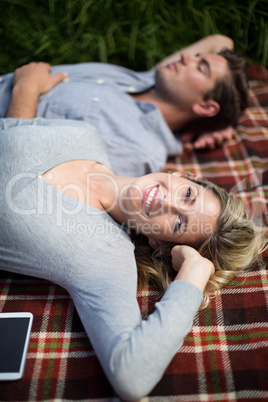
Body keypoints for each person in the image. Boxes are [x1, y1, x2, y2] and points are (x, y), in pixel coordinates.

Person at [0, 115, 265, 400]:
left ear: (159, 243)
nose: (167, 201)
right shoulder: (85, 135)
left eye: (178, 223)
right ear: (183, 175)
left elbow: (132, 377)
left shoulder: (102, 254)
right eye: (187, 195)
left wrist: (195, 273)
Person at [0, 34, 249, 177]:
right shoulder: (145, 80)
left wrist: (26, 89)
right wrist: (224, 124)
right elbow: (220, 41)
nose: (186, 57)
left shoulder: (140, 149)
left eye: (200, 66)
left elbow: (23, 170)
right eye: (196, 57)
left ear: (205, 107)